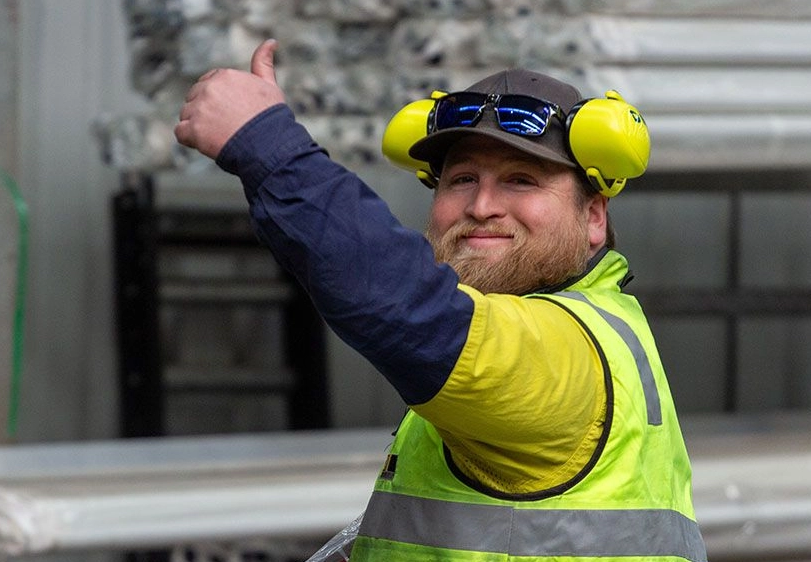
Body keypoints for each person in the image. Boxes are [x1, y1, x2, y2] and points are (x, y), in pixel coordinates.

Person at [175, 39, 707, 562]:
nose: (481, 206)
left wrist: (265, 142)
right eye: (462, 179)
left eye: (521, 180)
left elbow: (407, 307)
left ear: (594, 217)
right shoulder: (579, 331)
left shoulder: (567, 351)